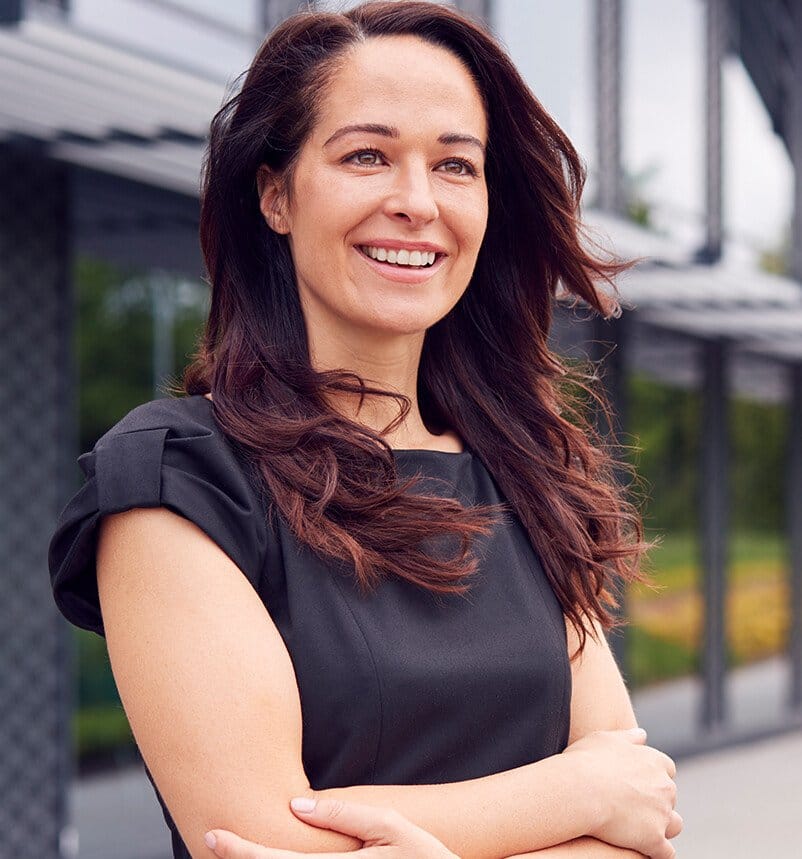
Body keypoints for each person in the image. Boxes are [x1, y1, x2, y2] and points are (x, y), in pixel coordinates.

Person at [48, 2, 682, 858]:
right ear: (276, 193)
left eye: (456, 165)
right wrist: (575, 794)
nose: (416, 202)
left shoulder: (521, 472)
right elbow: (253, 837)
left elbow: (643, 821)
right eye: (367, 156)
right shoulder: (180, 483)